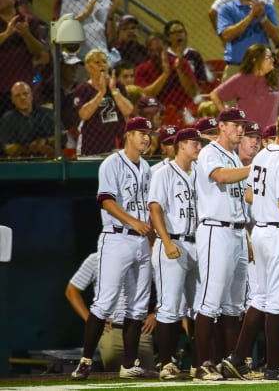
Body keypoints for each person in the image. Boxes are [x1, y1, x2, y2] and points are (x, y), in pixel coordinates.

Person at [223, 108, 279, 382]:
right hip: (278, 235)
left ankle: (237, 358)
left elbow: (250, 195)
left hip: (261, 231)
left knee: (260, 298)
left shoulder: (262, 155)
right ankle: (273, 366)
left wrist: (269, 206)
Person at [70, 116, 155, 381]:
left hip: (141, 240)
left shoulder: (147, 168)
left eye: (148, 134)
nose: (145, 137)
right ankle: (84, 362)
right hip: (116, 237)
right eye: (140, 132)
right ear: (128, 134)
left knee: (138, 306)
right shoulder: (112, 163)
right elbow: (106, 201)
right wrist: (133, 221)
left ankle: (129, 364)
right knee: (105, 301)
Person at [191, 107, 252, 381]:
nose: (240, 129)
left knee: (234, 305)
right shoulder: (210, 152)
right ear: (222, 126)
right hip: (216, 229)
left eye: (242, 125)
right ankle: (201, 363)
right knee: (210, 300)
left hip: (237, 231)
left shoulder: (232, 155)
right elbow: (220, 177)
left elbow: (244, 195)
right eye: (235, 125)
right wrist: (255, 168)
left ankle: (231, 363)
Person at [148, 127, 205, 379]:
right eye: (194, 143)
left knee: (199, 307)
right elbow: (155, 208)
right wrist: (166, 240)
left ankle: (198, 362)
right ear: (181, 145)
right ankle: (166, 363)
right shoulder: (163, 173)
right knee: (169, 307)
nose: (199, 147)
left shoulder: (198, 174)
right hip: (173, 243)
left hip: (197, 243)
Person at [65, 252, 156, 372]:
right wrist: (92, 320)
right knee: (116, 376)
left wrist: (155, 314)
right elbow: (72, 291)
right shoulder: (96, 259)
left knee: (148, 377)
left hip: (140, 330)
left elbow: (165, 288)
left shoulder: (145, 260)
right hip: (111, 330)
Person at [217, 0, 279, 80]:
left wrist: (262, 17)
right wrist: (251, 16)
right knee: (227, 97)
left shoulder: (267, 7)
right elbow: (226, 35)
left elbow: (276, 36)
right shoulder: (227, 9)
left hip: (262, 66)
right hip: (235, 66)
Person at [210, 44, 279, 128]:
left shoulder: (278, 78)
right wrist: (228, 116)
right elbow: (215, 95)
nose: (272, 60)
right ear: (255, 60)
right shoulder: (240, 79)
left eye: (272, 57)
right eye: (268, 57)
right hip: (248, 132)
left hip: (272, 132)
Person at [73, 49, 133, 157]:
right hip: (91, 144)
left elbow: (128, 110)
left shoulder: (116, 85)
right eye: (97, 62)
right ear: (88, 67)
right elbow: (84, 115)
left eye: (104, 62)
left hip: (116, 142)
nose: (102, 65)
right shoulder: (83, 89)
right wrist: (101, 93)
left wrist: (114, 91)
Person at [0, 0, 47, 115]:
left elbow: (39, 51)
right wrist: (6, 34)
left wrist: (26, 35)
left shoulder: (29, 21)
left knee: (26, 126)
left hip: (24, 84)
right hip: (1, 86)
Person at [134, 33, 199, 112]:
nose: (156, 54)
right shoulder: (141, 69)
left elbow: (193, 93)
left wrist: (179, 70)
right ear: (147, 51)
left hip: (184, 110)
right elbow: (145, 96)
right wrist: (165, 74)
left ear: (166, 49)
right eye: (151, 50)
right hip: (157, 113)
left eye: (159, 50)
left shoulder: (180, 63)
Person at [0, 81, 55, 157]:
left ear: (32, 96)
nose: (22, 98)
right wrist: (29, 147)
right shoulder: (7, 119)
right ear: (12, 100)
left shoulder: (47, 113)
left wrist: (46, 141)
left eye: (25, 94)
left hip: (49, 158)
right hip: (20, 161)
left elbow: (63, 136)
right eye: (17, 95)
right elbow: (8, 147)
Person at [164, 19, 211, 89]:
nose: (178, 35)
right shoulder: (165, 56)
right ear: (168, 37)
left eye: (180, 31)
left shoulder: (194, 54)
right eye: (174, 33)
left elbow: (202, 80)